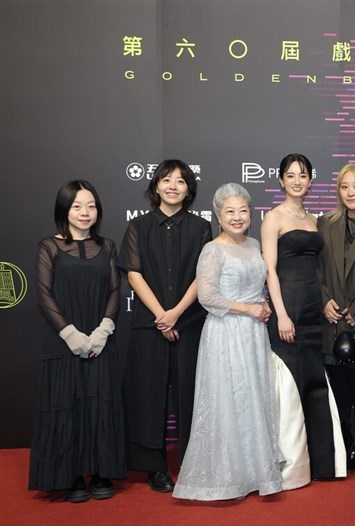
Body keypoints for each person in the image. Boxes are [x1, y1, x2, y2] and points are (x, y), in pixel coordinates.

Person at [173, 184, 284, 500]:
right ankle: (225, 476)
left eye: (243, 211)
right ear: (218, 216)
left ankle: (254, 471)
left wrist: (261, 305)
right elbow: (208, 296)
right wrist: (250, 308)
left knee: (252, 397)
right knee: (226, 398)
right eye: (229, 212)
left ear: (251, 213)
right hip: (225, 333)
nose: (237, 217)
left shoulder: (253, 244)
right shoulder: (212, 250)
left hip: (253, 335)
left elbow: (258, 282)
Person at [29, 180, 125, 503]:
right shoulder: (49, 247)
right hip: (63, 341)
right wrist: (70, 334)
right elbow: (44, 295)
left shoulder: (108, 246)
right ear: (64, 210)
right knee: (67, 405)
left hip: (100, 341)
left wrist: (102, 331)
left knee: (100, 402)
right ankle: (70, 475)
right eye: (77, 206)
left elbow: (115, 290)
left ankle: (100, 471)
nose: (85, 213)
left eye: (91, 206)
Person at [119, 160, 212, 492]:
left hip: (189, 325)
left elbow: (204, 276)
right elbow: (134, 273)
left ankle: (192, 460)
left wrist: (177, 314)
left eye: (181, 181)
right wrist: (162, 315)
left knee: (191, 394)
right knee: (148, 395)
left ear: (189, 189)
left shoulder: (201, 228)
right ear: (155, 186)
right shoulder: (138, 228)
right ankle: (153, 466)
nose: (173, 185)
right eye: (166, 179)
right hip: (149, 326)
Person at [261, 153, 343, 481]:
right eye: (291, 175)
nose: (297, 180)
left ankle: (321, 464)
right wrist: (281, 314)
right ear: (281, 180)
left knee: (314, 385)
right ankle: (290, 469)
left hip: (313, 313)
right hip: (288, 311)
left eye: (303, 175)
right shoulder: (273, 218)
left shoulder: (314, 220)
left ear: (311, 180)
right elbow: (269, 270)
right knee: (289, 388)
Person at [317, 163, 355, 470]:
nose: (351, 192)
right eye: (344, 186)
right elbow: (314, 270)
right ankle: (342, 448)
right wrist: (324, 300)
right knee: (337, 395)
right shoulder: (325, 223)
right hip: (330, 322)